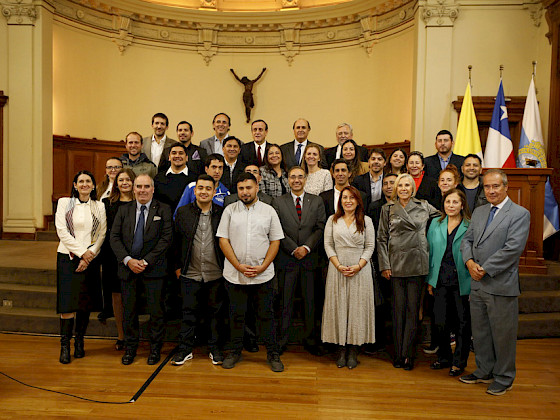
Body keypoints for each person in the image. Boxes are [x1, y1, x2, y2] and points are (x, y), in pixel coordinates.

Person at [459, 169, 530, 396]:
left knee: (503, 336)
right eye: (487, 187)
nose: (491, 190)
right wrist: (469, 263)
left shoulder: (519, 214)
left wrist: (485, 269)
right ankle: (484, 370)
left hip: (500, 284)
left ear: (506, 187)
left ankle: (504, 377)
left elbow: (512, 249)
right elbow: (467, 240)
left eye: (495, 186)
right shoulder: (479, 212)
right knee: (480, 333)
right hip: (477, 283)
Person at [217, 172, 285, 372]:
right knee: (236, 315)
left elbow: (275, 241)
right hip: (235, 274)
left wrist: (263, 266)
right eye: (241, 188)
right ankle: (235, 352)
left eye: (248, 188)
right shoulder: (229, 211)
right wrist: (238, 265)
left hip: (263, 274)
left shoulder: (269, 211)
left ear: (257, 187)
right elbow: (223, 240)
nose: (244, 192)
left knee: (266, 316)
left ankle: (272, 354)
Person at [377, 173, 439, 371]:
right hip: (395, 264)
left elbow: (442, 219)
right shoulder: (387, 209)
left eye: (407, 185)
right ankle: (398, 353)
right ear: (396, 188)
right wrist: (385, 265)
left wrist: (427, 242)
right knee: (398, 310)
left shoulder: (424, 206)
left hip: (417, 262)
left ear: (413, 188)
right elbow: (381, 238)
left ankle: (409, 355)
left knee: (413, 311)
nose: (404, 188)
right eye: (400, 185)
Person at [110, 174, 173, 366]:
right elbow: (114, 237)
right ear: (133, 189)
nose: (142, 190)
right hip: (128, 270)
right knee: (129, 312)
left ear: (153, 189)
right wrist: (128, 260)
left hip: (154, 270)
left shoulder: (163, 209)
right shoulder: (123, 210)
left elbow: (166, 238)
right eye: (139, 186)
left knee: (156, 312)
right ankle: (130, 349)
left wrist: (146, 261)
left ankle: (155, 350)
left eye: (146, 186)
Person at [172, 175, 226, 366]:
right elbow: (176, 242)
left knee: (215, 314)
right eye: (200, 188)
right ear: (194, 191)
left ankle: (215, 349)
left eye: (208, 188)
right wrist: (178, 267)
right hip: (190, 272)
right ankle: (185, 350)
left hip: (216, 273)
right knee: (188, 313)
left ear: (213, 191)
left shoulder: (222, 212)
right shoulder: (183, 212)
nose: (203, 191)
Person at [55, 170, 107, 364]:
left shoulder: (99, 206)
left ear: (93, 186)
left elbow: (102, 234)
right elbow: (61, 230)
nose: (84, 184)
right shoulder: (63, 203)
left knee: (84, 303)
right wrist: (81, 253)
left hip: (91, 259)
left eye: (88, 181)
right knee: (67, 303)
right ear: (75, 185)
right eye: (81, 181)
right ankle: (65, 345)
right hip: (67, 258)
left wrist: (89, 256)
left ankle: (79, 342)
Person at [273, 166, 326, 354]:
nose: (296, 180)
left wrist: (306, 248)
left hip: (310, 260)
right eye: (293, 177)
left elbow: (320, 228)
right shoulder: (278, 202)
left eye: (300, 177)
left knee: (310, 303)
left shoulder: (317, 201)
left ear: (305, 179)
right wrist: (293, 248)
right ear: (288, 180)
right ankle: (282, 342)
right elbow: (277, 229)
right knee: (285, 303)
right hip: (287, 260)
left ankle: (311, 341)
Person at [322, 185, 376, 369]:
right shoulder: (332, 220)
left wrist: (358, 266)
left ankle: (354, 350)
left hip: (359, 269)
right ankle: (341, 349)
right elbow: (328, 245)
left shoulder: (366, 221)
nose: (348, 201)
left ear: (358, 201)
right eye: (344, 197)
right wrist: (337, 265)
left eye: (352, 198)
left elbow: (370, 246)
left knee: (357, 309)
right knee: (339, 307)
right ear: (340, 201)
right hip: (337, 268)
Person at [426, 188, 472, 377]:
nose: (451, 205)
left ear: (462, 205)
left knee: (462, 323)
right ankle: (444, 357)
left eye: (455, 202)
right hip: (439, 279)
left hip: (462, 280)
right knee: (440, 321)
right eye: (448, 202)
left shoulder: (470, 225)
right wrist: (430, 280)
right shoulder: (435, 224)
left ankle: (459, 362)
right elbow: (429, 252)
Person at [101, 168, 135, 350]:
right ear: (116, 183)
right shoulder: (107, 204)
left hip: (135, 256)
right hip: (112, 255)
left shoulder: (140, 203)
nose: (124, 183)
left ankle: (133, 334)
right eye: (121, 180)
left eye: (128, 180)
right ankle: (121, 335)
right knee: (116, 295)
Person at [154, 143, 199, 212]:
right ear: (169, 157)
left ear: (186, 158)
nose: (177, 156)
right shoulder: (158, 178)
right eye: (174, 153)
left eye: (181, 153)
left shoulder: (195, 179)